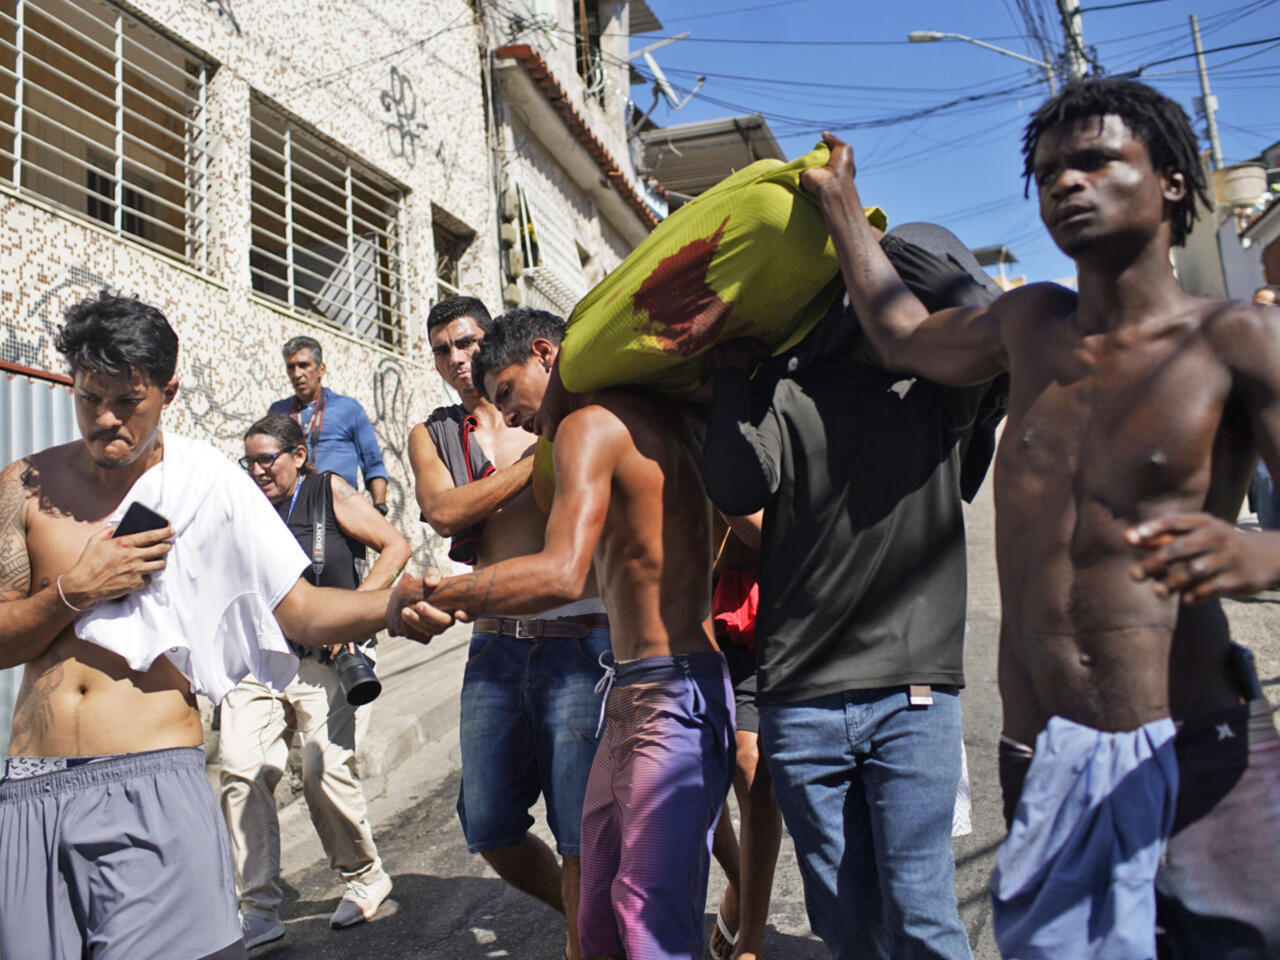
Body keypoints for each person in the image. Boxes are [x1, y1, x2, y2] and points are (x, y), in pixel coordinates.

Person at [803, 78, 1280, 958]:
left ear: (1173, 179)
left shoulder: (1235, 342)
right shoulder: (1028, 323)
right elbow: (905, 333)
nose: (1066, 182)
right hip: (1045, 757)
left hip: (1196, 751)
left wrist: (1256, 554)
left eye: (1097, 160)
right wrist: (842, 209)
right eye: (1051, 170)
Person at [0, 292, 448, 960]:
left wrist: (389, 603)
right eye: (91, 397)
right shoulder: (28, 485)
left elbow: (298, 610)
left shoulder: (210, 484)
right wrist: (75, 589)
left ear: (169, 392)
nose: (107, 420)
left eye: (129, 400)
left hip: (150, 777)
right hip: (32, 789)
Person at [393, 310, 735, 960]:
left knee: (646, 917)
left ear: (546, 355)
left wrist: (439, 590)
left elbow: (559, 573)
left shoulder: (584, 427)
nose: (512, 417)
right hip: (637, 685)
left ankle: (737, 902)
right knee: (601, 901)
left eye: (507, 395)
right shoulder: (665, 419)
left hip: (668, 693)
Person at [702, 222, 1002, 960]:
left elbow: (990, 313)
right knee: (842, 923)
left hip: (913, 697)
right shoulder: (786, 388)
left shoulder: (941, 392)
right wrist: (731, 380)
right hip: (801, 701)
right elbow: (735, 483)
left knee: (924, 913)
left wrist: (875, 250)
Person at [406, 297, 611, 960]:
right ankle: (595, 918)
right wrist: (534, 464)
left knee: (582, 828)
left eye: (467, 342)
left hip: (582, 637)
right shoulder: (435, 433)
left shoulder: (561, 405)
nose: (457, 359)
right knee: (490, 825)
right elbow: (442, 511)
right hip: (494, 645)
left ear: (494, 340)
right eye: (442, 350)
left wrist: (545, 443)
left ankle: (595, 932)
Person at [219, 414, 411, 948]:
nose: (256, 470)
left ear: (298, 455)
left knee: (323, 770)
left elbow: (396, 547)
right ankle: (257, 908)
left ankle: (365, 877)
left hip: (329, 659)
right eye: (249, 460)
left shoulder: (328, 491)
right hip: (260, 660)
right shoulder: (243, 505)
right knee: (240, 768)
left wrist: (353, 614)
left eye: (267, 460)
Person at [705, 512, 783, 960]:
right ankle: (741, 879)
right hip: (684, 605)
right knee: (692, 774)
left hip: (760, 598)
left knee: (748, 763)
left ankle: (750, 939)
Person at [268, 335, 390, 515]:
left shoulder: (349, 409)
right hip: (292, 510)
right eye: (290, 367)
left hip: (340, 509)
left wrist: (379, 507)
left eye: (303, 365)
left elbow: (373, 463)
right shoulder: (278, 411)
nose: (297, 374)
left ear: (321, 369)